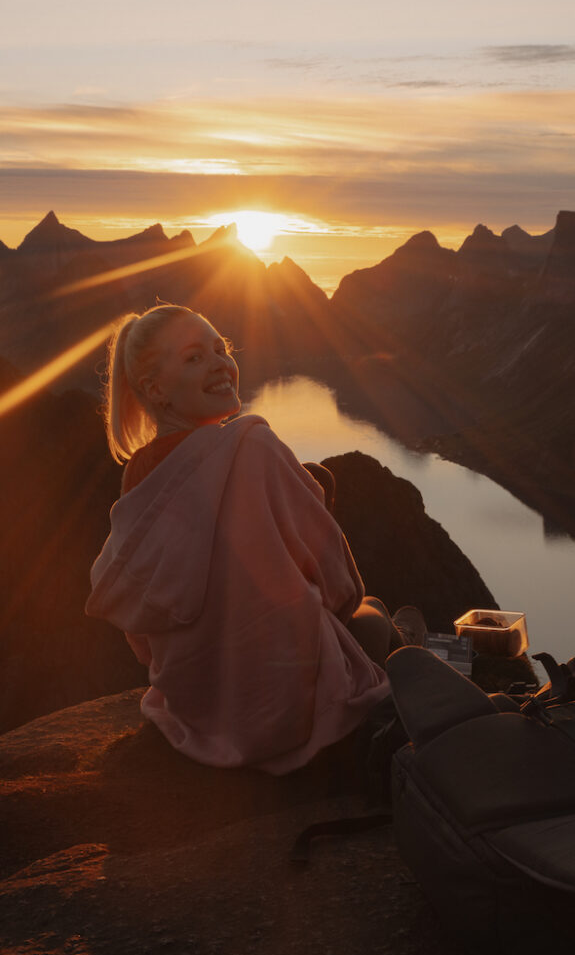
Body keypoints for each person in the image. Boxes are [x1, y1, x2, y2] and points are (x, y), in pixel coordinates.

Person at [86, 304, 425, 775]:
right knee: (373, 617)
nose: (220, 364)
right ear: (154, 388)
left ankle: (398, 635)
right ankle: (405, 642)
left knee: (369, 618)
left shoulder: (137, 482)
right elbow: (341, 589)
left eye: (220, 349)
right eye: (193, 358)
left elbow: (143, 637)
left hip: (195, 705)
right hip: (284, 711)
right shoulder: (253, 447)